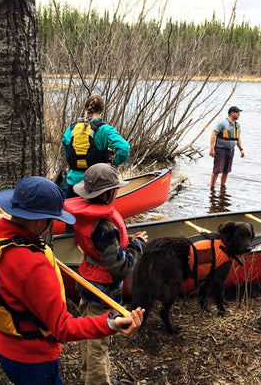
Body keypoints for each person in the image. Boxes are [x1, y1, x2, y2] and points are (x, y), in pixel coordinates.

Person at [0, 176, 145, 385]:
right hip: (33, 359)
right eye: (52, 220)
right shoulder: (32, 264)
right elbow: (63, 328)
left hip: (6, 348)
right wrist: (111, 323)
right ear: (40, 221)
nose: (51, 225)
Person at [64, 163, 148, 385]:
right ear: (108, 193)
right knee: (99, 344)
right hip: (102, 292)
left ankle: (87, 376)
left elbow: (104, 251)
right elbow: (121, 268)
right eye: (116, 189)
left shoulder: (86, 217)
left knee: (88, 335)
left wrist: (127, 243)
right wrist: (138, 245)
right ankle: (98, 382)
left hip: (87, 283)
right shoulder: (104, 227)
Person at [62, 94, 130, 199]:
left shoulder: (71, 129)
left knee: (72, 213)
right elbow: (124, 148)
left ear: (85, 109)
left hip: (73, 184)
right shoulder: (105, 130)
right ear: (102, 110)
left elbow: (67, 150)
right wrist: (115, 165)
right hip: (98, 186)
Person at [209, 105, 245, 188]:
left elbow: (237, 138)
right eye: (238, 113)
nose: (239, 114)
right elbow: (213, 135)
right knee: (217, 170)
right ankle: (212, 187)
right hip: (220, 150)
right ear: (232, 113)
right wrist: (212, 149)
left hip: (231, 150)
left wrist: (241, 149)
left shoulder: (237, 125)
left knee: (226, 170)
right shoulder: (222, 122)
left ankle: (222, 186)